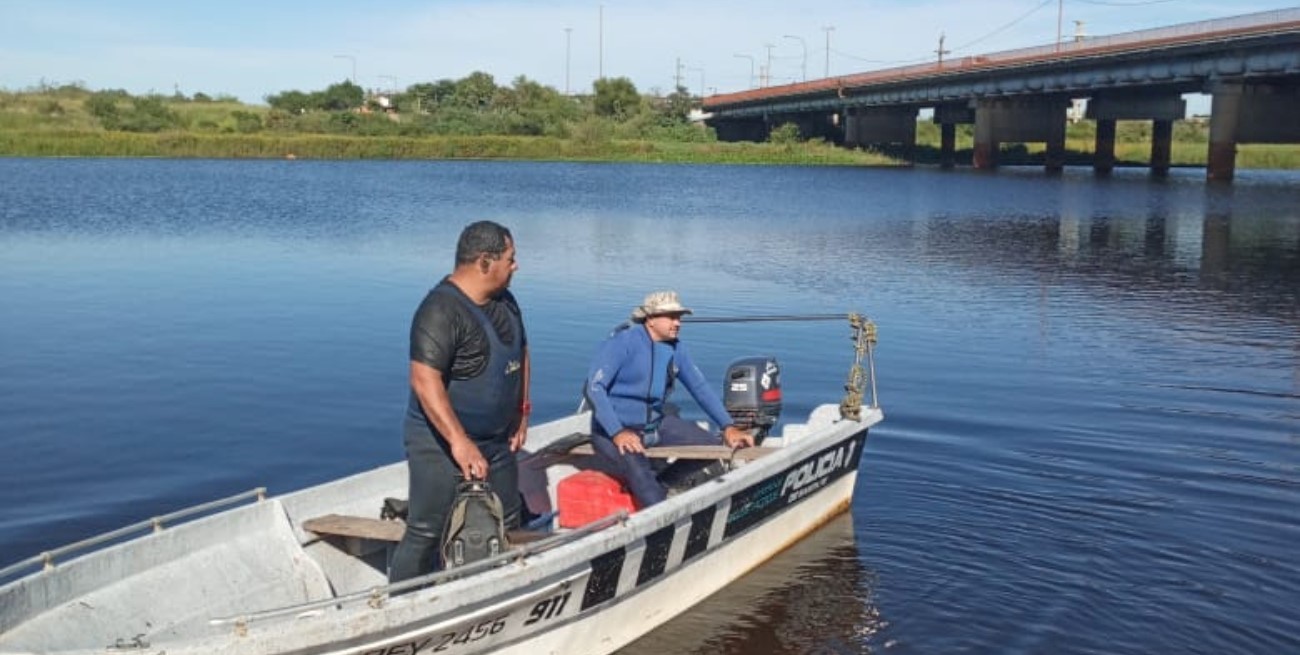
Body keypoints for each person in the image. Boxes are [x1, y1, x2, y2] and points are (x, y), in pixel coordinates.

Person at [389, 220, 530, 583]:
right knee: (426, 531)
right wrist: (459, 442)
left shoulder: (506, 302)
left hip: (496, 441)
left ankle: (492, 593)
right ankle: (402, 609)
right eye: (510, 259)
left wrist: (522, 411)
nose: (515, 265)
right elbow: (424, 380)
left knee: (507, 520)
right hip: (439, 443)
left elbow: (520, 352)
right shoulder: (439, 311)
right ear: (485, 262)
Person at [583, 291, 753, 507]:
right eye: (671, 317)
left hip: (654, 425)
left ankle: (662, 483)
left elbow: (700, 388)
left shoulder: (676, 348)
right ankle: (657, 509)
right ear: (651, 319)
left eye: (679, 317)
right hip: (613, 431)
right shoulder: (622, 343)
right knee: (640, 473)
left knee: (711, 447)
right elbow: (594, 388)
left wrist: (728, 426)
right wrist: (617, 433)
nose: (678, 323)